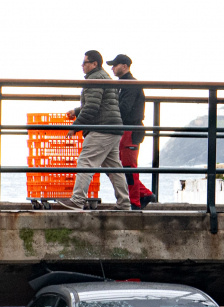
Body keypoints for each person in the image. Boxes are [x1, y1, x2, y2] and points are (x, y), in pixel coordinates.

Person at [60, 50, 130, 211]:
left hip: (102, 128)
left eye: (85, 62)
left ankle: (77, 200)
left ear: (94, 63)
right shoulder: (104, 77)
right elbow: (102, 103)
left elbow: (92, 107)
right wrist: (77, 111)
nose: (82, 66)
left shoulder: (94, 79)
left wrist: (75, 127)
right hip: (113, 127)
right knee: (114, 168)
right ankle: (124, 203)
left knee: (86, 161)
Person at [106, 54, 156, 210]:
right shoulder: (123, 84)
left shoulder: (130, 84)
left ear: (125, 66)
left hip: (130, 129)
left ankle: (134, 201)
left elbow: (124, 109)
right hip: (126, 129)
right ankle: (143, 194)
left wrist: (108, 116)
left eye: (115, 65)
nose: (112, 68)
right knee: (120, 166)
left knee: (127, 167)